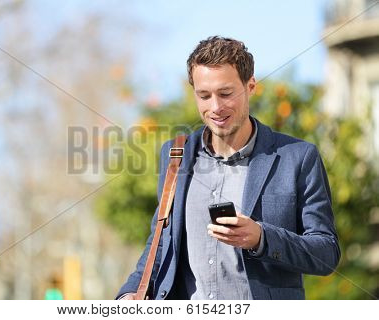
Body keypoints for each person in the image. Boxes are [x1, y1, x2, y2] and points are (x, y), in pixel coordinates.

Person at [117, 36, 340, 300]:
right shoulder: (174, 154)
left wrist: (261, 238)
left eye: (225, 94)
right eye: (204, 95)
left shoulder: (299, 157)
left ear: (251, 86)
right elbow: (161, 242)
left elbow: (326, 253)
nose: (215, 107)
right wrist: (130, 292)